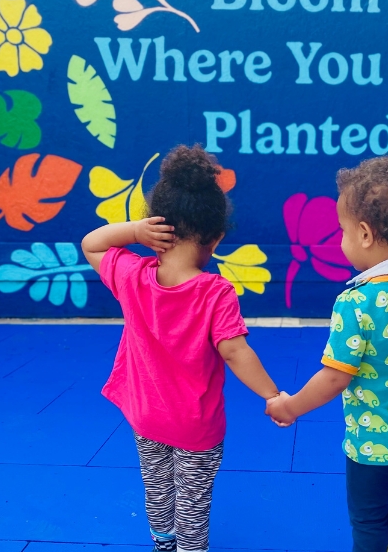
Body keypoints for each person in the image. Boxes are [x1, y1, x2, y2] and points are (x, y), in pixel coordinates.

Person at [81, 145, 284, 552]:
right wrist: (272, 395)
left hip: (145, 416)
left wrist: (134, 232)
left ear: (158, 227)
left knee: (157, 489)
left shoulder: (132, 275)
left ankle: (163, 544)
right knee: (192, 504)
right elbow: (235, 351)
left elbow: (92, 244)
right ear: (216, 237)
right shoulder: (214, 292)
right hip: (195, 426)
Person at [267, 156, 388, 552]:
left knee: (368, 518)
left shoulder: (356, 302)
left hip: (376, 443)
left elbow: (336, 376)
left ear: (365, 234)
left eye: (343, 230)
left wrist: (291, 407)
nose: (341, 239)